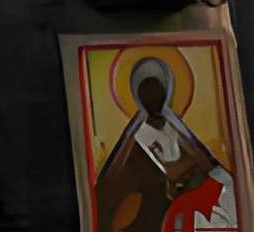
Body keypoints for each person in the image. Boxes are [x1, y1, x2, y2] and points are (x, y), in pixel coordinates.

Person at [91, 57, 230, 232]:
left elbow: (201, 158)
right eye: (148, 94)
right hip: (157, 199)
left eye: (157, 92)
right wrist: (189, 164)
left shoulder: (173, 124)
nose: (153, 98)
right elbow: (167, 170)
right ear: (139, 98)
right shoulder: (140, 133)